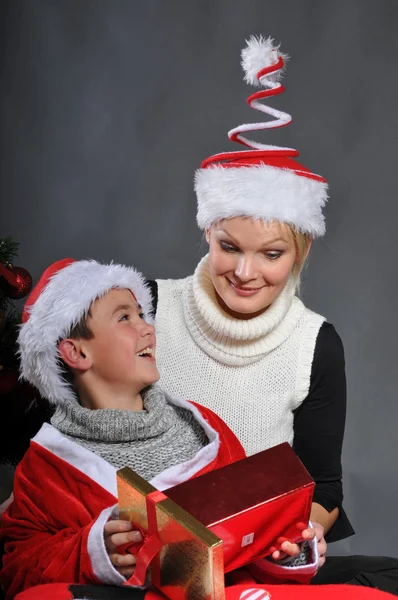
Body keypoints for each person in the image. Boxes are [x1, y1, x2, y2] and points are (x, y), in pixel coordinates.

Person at [147, 35, 398, 593]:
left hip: (253, 571)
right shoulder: (145, 306)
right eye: (229, 247)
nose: (245, 272)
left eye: (272, 254)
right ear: (206, 232)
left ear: (301, 251)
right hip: (142, 565)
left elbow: (323, 489)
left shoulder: (314, 344)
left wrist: (301, 537)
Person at [0, 258, 319, 600]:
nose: (148, 328)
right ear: (76, 352)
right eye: (124, 317)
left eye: (142, 314)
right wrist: (94, 552)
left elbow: (247, 546)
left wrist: (284, 553)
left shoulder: (205, 429)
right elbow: (19, 569)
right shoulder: (47, 467)